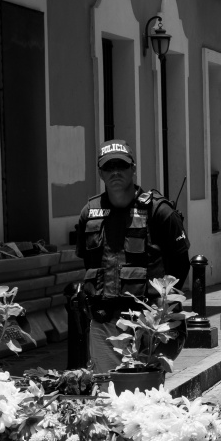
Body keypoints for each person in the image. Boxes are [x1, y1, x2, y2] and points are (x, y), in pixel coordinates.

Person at [76, 139, 191, 373]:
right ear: (100, 172)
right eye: (108, 167)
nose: (115, 172)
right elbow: (89, 262)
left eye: (122, 165)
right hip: (104, 319)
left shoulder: (159, 211)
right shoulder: (89, 213)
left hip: (147, 321)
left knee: (145, 392)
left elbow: (180, 265)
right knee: (107, 391)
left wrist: (164, 311)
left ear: (133, 168)